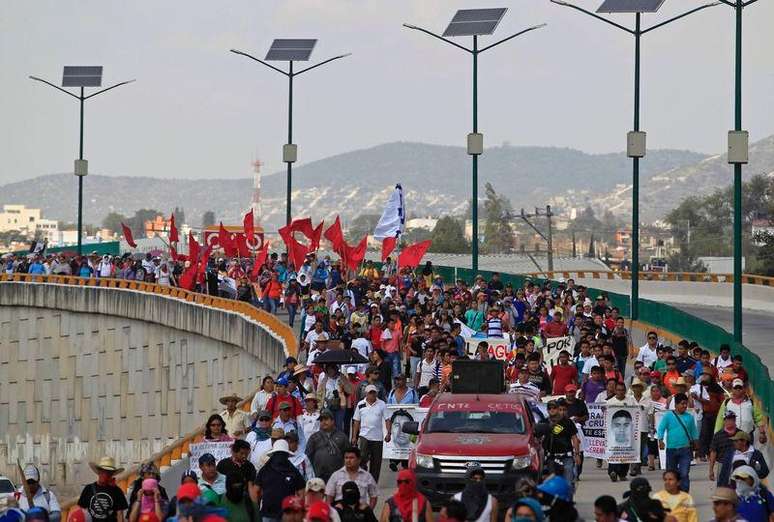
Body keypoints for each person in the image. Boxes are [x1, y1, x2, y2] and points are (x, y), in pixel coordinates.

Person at [255, 440, 306, 522]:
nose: (280, 457)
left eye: (282, 454)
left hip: (287, 515)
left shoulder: (293, 471)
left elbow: (301, 493)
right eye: (278, 454)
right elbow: (256, 491)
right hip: (268, 514)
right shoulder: (265, 470)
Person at [657, 393, 698, 492]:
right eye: (682, 403)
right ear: (675, 405)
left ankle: (684, 495)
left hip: (686, 449)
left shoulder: (690, 417)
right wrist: (660, 440)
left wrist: (697, 446)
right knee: (671, 474)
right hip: (671, 449)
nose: (684, 406)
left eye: (686, 404)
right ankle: (672, 494)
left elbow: (694, 432)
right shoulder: (668, 416)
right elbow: (661, 429)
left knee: (684, 473)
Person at [352, 384, 390, 483]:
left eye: (374, 393)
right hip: (364, 436)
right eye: (370, 393)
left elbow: (387, 419)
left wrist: (388, 433)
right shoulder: (361, 404)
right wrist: (354, 437)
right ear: (366, 394)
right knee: (362, 459)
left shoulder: (382, 404)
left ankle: (373, 482)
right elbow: (356, 421)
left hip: (377, 438)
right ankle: (363, 478)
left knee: (376, 462)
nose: (373, 395)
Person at [540, 400, 581, 488]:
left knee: (568, 483)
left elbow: (574, 438)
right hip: (551, 457)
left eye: (554, 408)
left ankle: (568, 499)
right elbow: (538, 439)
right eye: (549, 408)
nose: (552, 410)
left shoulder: (567, 422)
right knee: (552, 483)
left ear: (558, 409)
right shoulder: (544, 422)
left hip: (567, 457)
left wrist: (577, 454)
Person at [76, 456, 129, 522]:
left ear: (111, 475)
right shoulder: (88, 489)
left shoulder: (117, 491)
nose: (105, 475)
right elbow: (81, 511)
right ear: (99, 472)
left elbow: (120, 514)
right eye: (103, 472)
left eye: (108, 473)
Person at [305, 409, 349, 483]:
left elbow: (348, 455)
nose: (323, 422)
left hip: (337, 477)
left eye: (326, 419)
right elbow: (307, 457)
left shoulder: (342, 436)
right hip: (318, 476)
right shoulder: (314, 437)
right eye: (321, 420)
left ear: (332, 421)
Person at [606, 381, 636, 481]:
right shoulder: (609, 402)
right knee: (613, 451)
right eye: (618, 390)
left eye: (623, 390)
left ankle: (622, 474)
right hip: (614, 433)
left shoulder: (631, 400)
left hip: (627, 433)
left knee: (625, 452)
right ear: (615, 391)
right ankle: (612, 472)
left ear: (625, 391)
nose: (620, 392)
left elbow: (637, 411)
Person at [710, 411, 742, 485]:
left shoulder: (741, 435)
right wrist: (711, 470)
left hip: (738, 466)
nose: (730, 421)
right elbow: (713, 452)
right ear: (724, 421)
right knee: (722, 490)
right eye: (728, 419)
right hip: (722, 465)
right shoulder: (718, 435)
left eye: (732, 419)